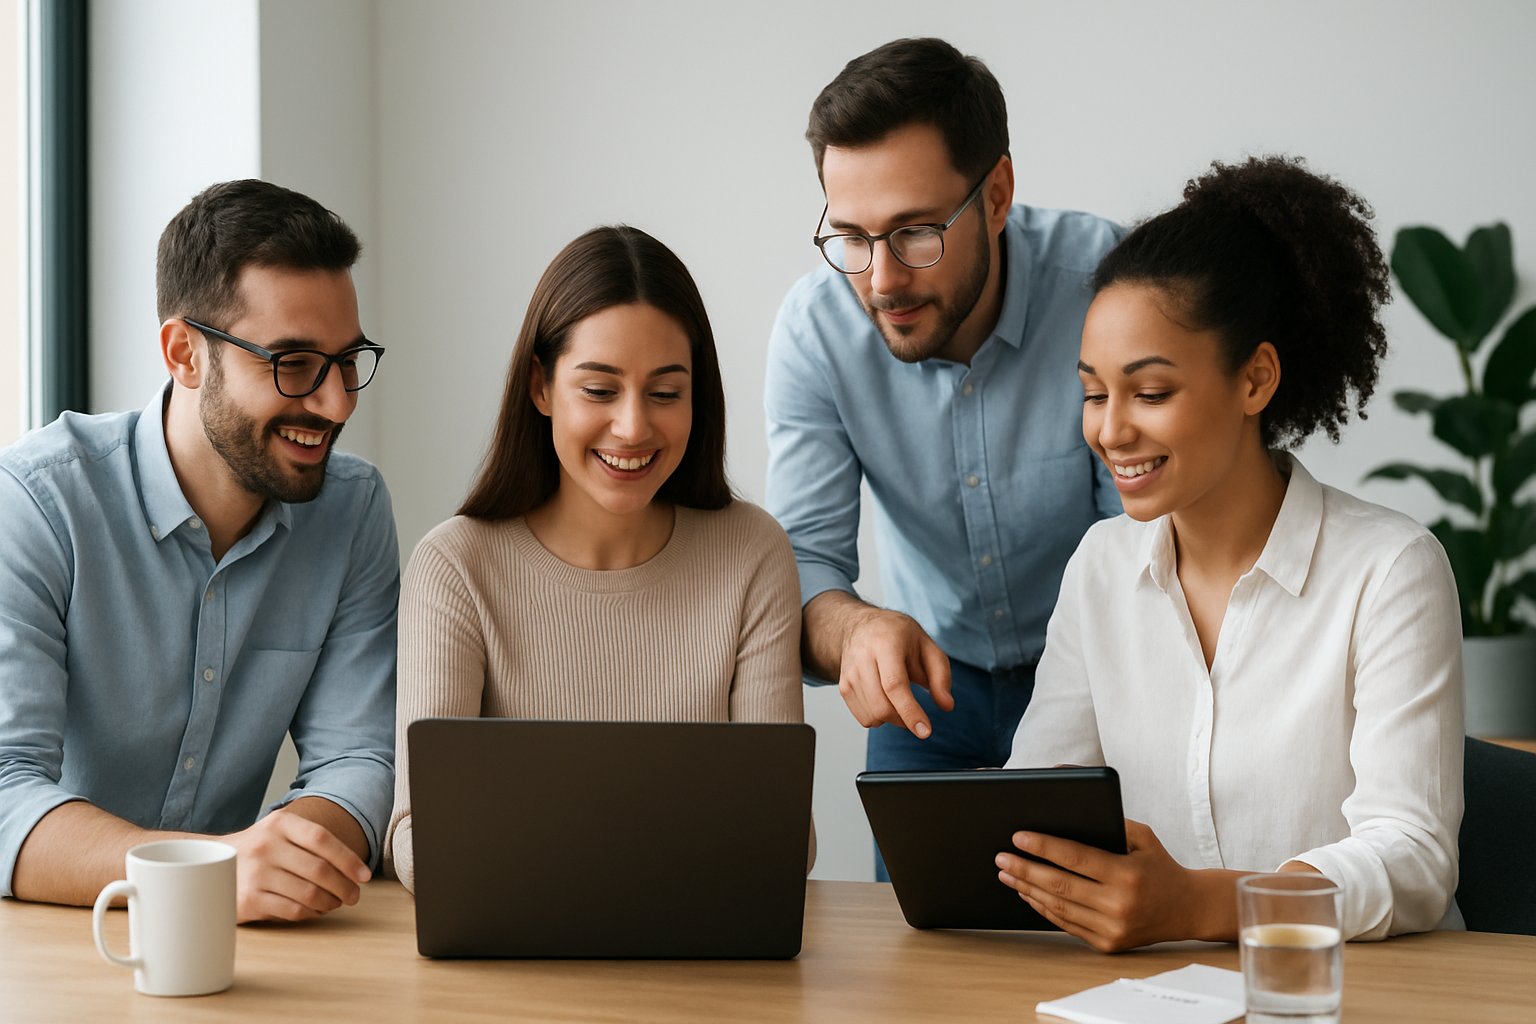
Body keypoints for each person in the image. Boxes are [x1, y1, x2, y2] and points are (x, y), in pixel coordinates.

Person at [997, 156, 1464, 950]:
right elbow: (1040, 803)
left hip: (1354, 989)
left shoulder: (1390, 570)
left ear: (1256, 380)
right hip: (1155, 992)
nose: (1110, 430)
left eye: (1150, 393)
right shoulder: (1101, 566)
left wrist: (1200, 907)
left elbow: (1412, 857)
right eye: (1093, 392)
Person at [763, 37, 1122, 869]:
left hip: (1105, 675)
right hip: (931, 691)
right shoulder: (816, 332)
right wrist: (855, 628)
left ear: (996, 195)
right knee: (912, 937)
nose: (882, 280)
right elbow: (804, 561)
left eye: (915, 233)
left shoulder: (1110, 289)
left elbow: (1147, 545)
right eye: (852, 237)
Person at [0, 180, 398, 923]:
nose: (337, 402)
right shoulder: (37, 504)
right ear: (185, 353)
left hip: (238, 937)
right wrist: (210, 871)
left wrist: (277, 864)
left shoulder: (352, 512)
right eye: (292, 362)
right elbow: (3, 790)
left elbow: (359, 760)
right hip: (54, 938)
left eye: (348, 361)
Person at [385, 225, 809, 892]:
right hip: (515, 942)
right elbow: (418, 838)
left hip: (697, 949)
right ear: (540, 386)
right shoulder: (455, 566)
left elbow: (782, 836)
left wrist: (546, 850)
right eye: (600, 390)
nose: (634, 427)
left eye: (665, 393)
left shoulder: (752, 553)